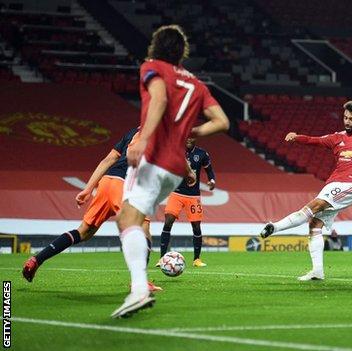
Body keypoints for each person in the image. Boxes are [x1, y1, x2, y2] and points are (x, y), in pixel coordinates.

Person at [111, 24, 229, 318]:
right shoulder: (197, 84)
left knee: (127, 220)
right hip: (178, 167)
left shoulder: (151, 67)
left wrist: (144, 140)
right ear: (182, 51)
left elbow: (160, 99)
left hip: (154, 157)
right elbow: (222, 122)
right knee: (136, 220)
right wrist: (192, 134)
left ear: (156, 46)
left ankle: (139, 289)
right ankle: (139, 287)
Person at [258, 101, 352, 281]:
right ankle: (318, 271)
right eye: (345, 118)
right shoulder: (337, 138)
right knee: (314, 225)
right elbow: (315, 140)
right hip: (333, 184)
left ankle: (275, 227)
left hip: (350, 186)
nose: (347, 121)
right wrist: (296, 137)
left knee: (314, 205)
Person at [21, 128, 160, 292]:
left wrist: (88, 189)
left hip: (107, 181)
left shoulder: (131, 132)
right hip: (125, 185)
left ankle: (37, 259)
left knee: (84, 231)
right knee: (143, 229)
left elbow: (107, 160)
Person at [158, 137, 216, 268]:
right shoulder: (176, 151)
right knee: (168, 222)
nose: (188, 139)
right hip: (176, 193)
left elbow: (209, 170)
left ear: (196, 138)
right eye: (186, 136)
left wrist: (212, 181)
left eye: (191, 137)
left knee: (196, 226)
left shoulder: (202, 154)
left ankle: (197, 259)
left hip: (193, 196)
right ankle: (162, 258)